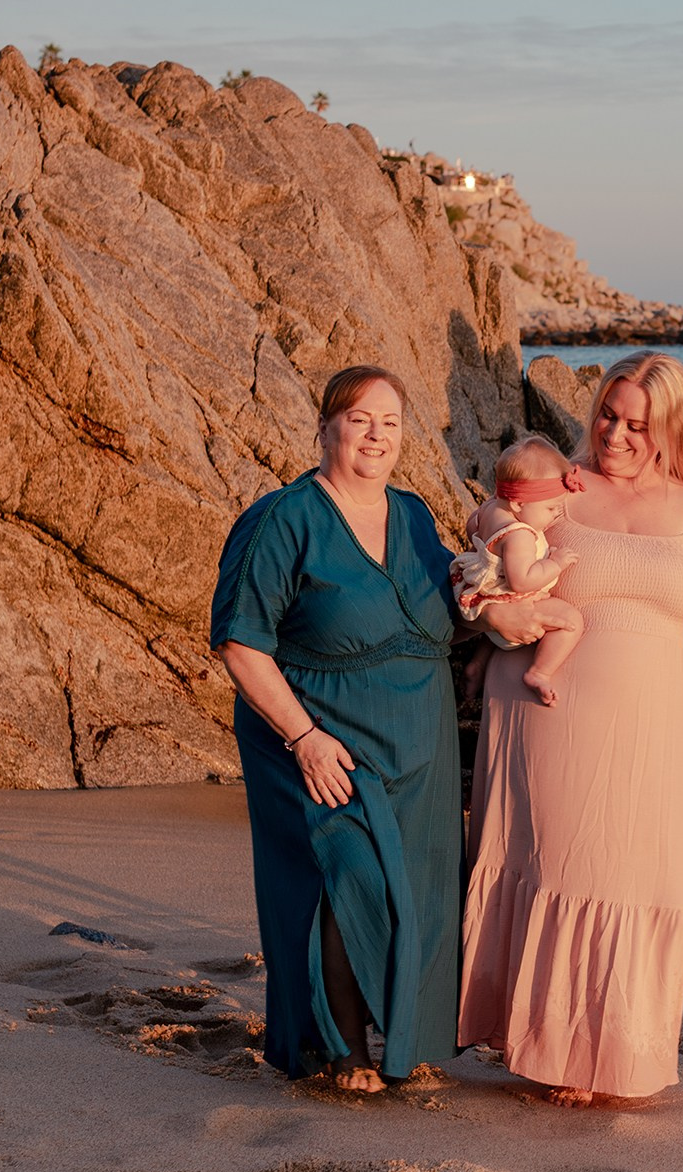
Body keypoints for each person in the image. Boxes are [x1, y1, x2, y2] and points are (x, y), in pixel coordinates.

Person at [211, 365, 543, 1093]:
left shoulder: (415, 513)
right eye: (359, 419)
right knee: (347, 879)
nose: (375, 435)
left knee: (416, 889)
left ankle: (404, 1041)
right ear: (325, 426)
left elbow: (453, 601)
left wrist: (498, 612)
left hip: (417, 740)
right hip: (320, 738)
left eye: (389, 422)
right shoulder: (281, 519)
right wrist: (303, 737)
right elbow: (240, 643)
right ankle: (343, 1049)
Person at [459, 351, 683, 1106]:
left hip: (651, 726)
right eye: (608, 415)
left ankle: (614, 1047)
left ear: (671, 429)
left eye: (637, 424)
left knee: (639, 875)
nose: (616, 434)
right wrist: (494, 611)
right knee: (566, 866)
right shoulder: (561, 488)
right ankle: (555, 1049)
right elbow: (483, 551)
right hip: (549, 712)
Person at [454, 434, 587, 706]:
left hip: (483, 601)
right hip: (508, 607)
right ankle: (540, 672)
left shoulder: (490, 507)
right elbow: (520, 581)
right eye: (551, 508)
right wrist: (555, 563)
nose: (555, 515)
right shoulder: (519, 536)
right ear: (517, 504)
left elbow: (472, 527)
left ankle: (476, 664)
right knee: (572, 621)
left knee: (491, 628)